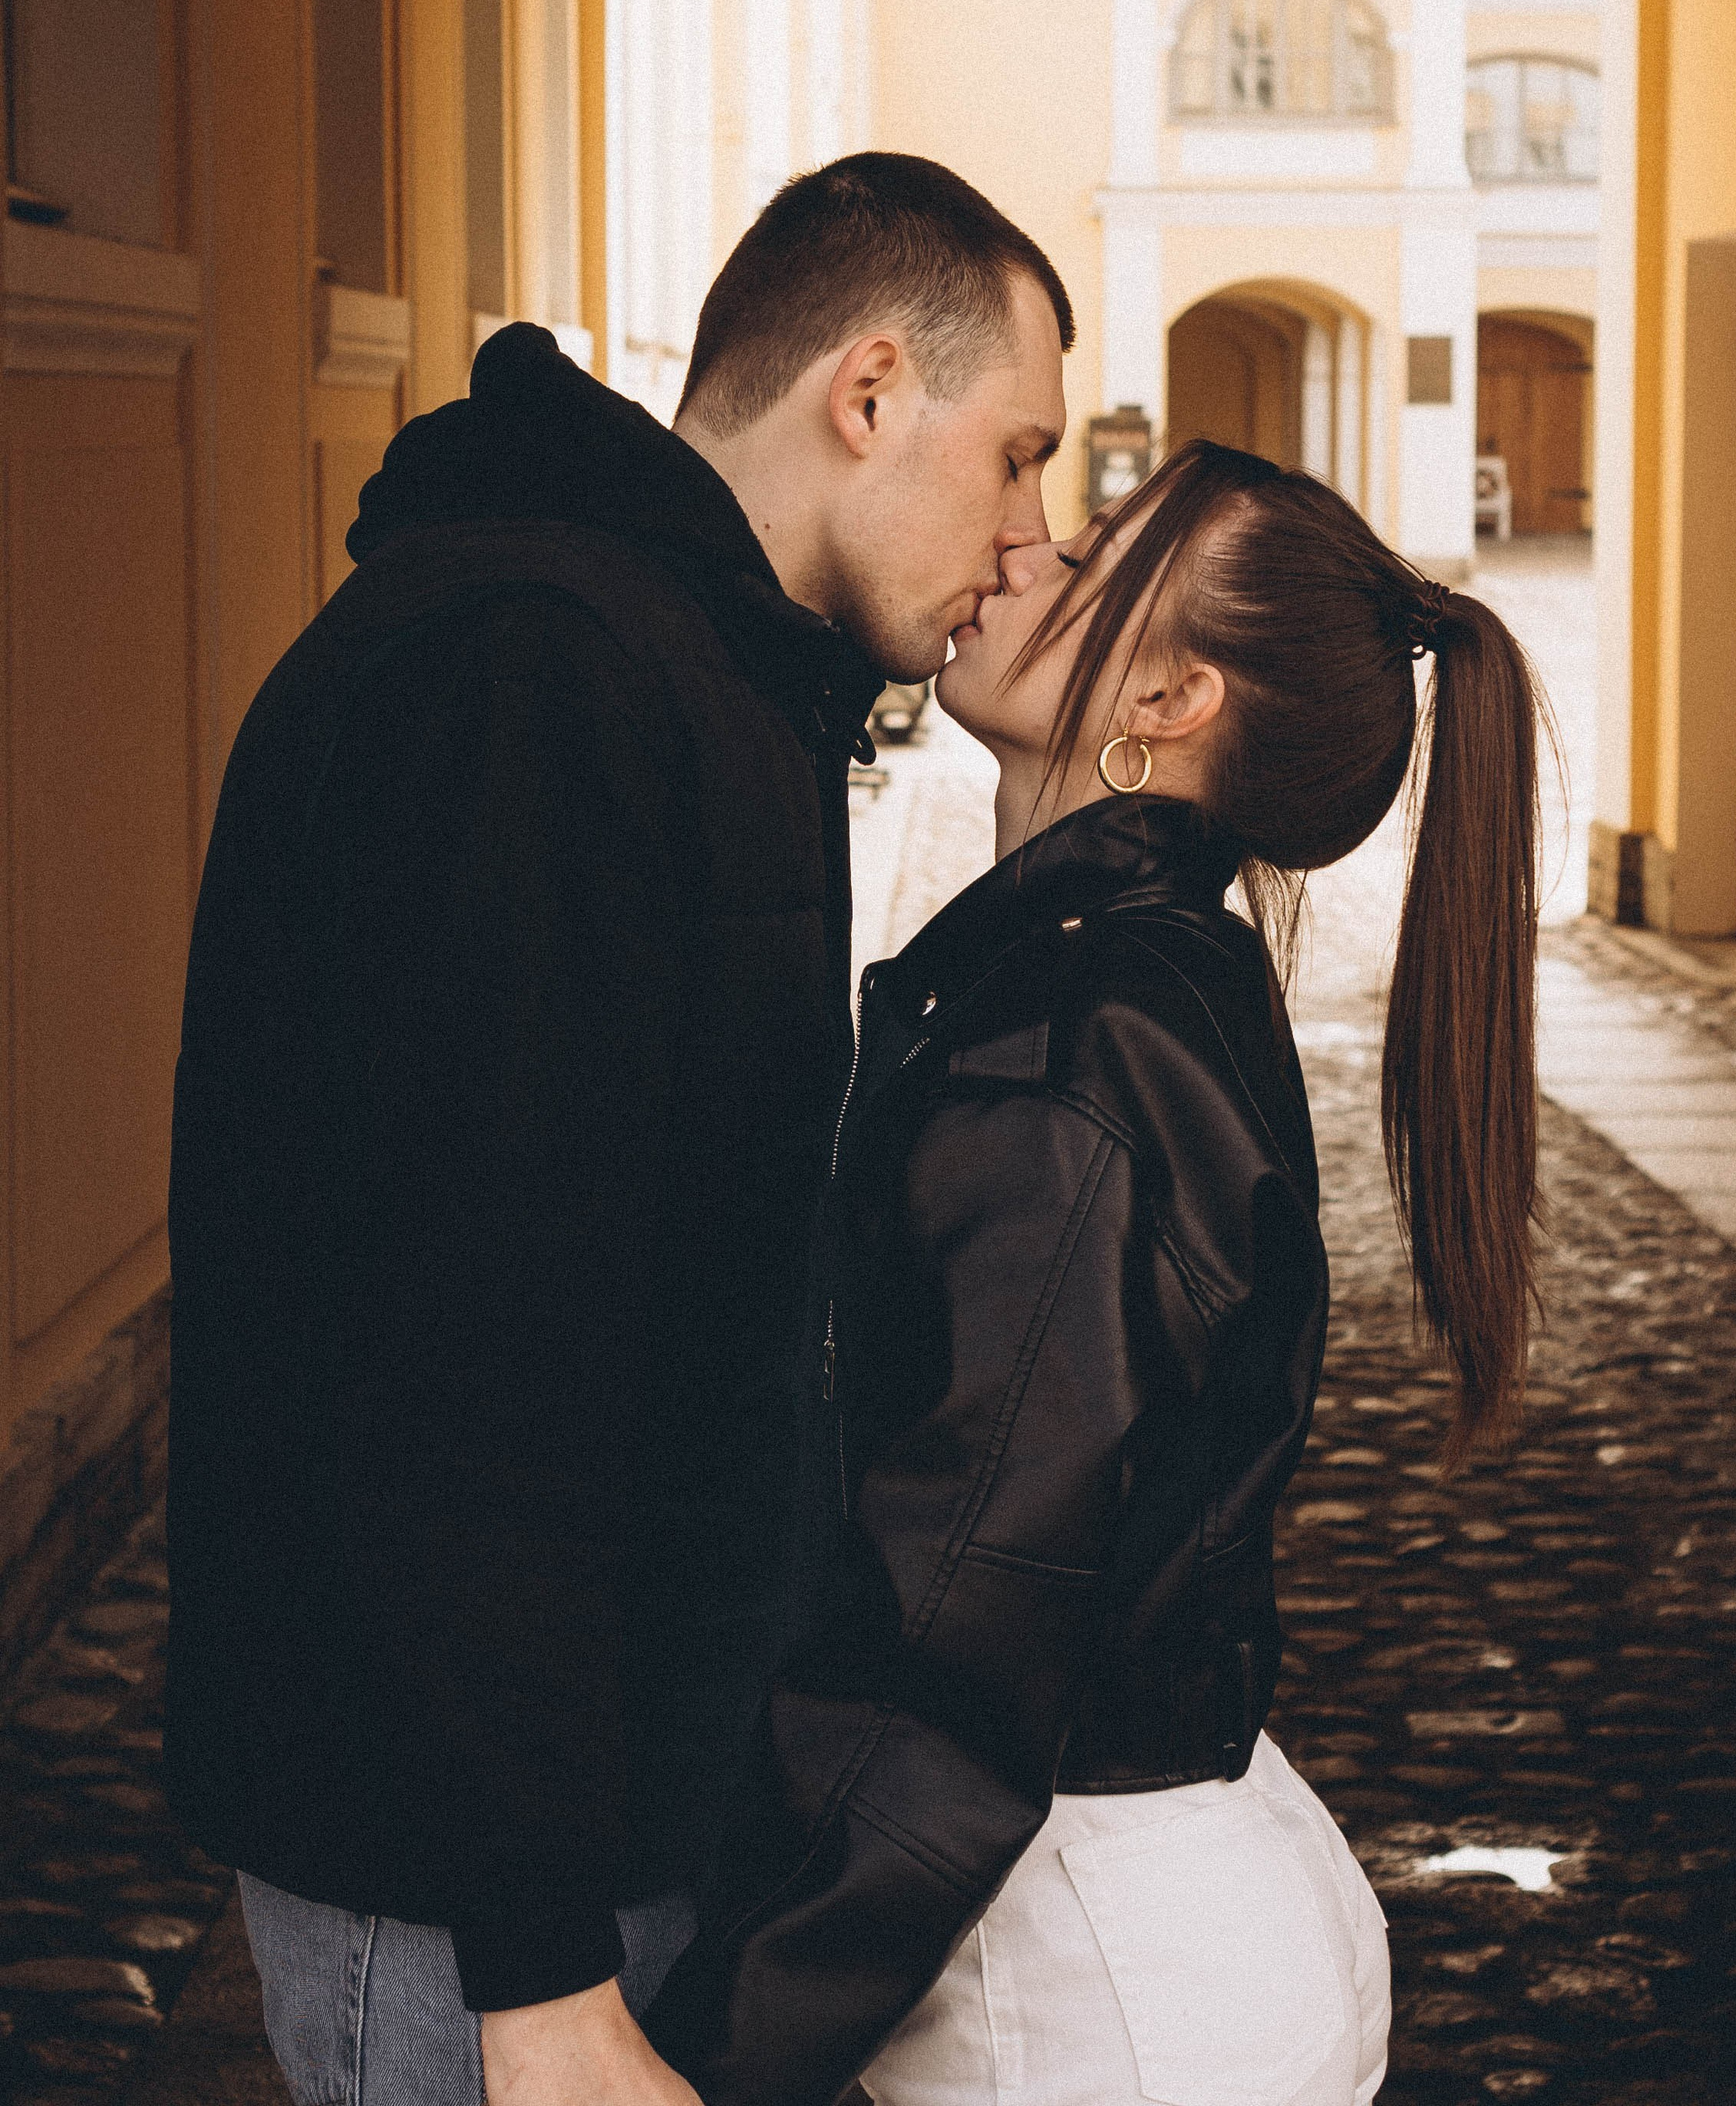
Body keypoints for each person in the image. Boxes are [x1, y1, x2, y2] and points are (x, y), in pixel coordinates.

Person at [164, 154, 1073, 2106]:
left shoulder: (686, 671)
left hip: (588, 1831)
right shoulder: (534, 682)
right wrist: (540, 1960)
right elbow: (453, 1349)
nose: (1027, 531)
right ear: (866, 390)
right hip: (476, 1898)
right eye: (1014, 456)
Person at [649, 438, 1544, 2106]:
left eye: (1089, 556)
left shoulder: (1079, 1046)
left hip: (1091, 1997)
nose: (1021, 552)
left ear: (1171, 694)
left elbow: (957, 1617)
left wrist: (706, 2053)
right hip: (1154, 1925)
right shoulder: (1121, 987)